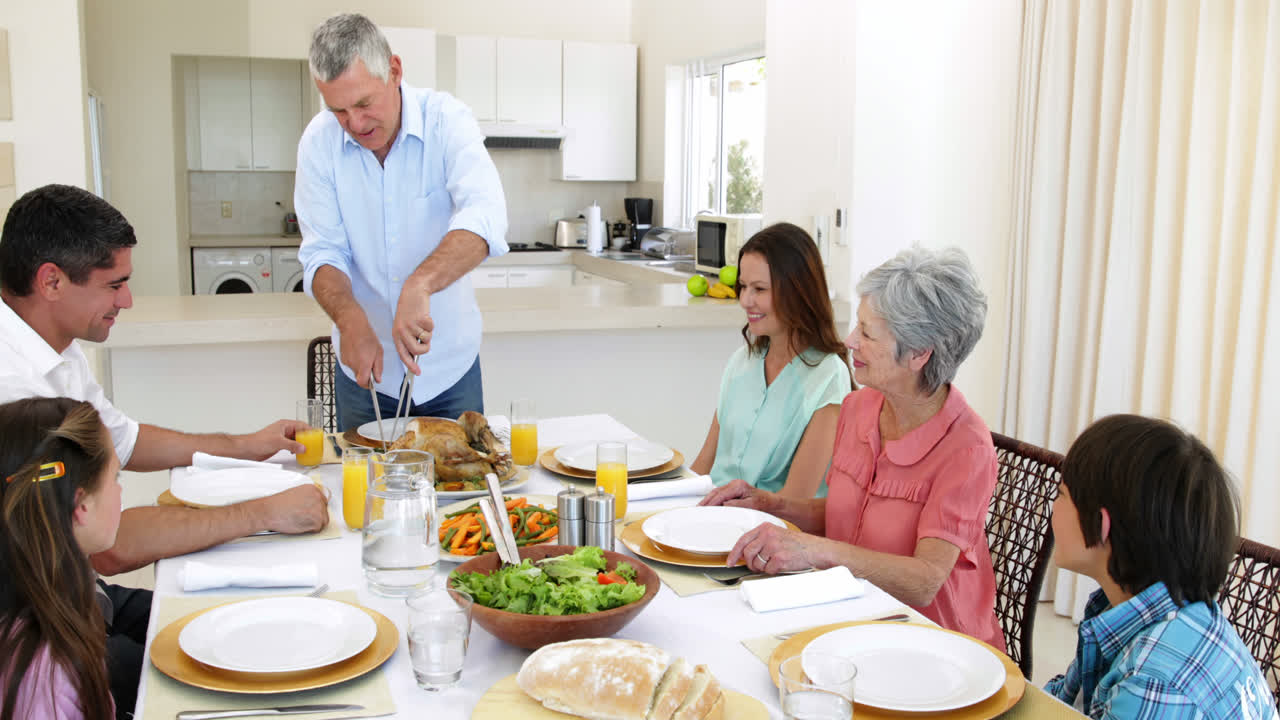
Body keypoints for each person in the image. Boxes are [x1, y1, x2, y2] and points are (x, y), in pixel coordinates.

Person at [0, 184, 330, 718]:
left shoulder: (55, 349)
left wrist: (245, 447)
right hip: (38, 626)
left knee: (228, 623)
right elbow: (107, 545)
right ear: (52, 280)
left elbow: (125, 439)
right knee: (230, 679)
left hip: (76, 592)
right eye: (115, 285)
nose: (126, 301)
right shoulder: (12, 389)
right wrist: (262, 513)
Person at [701, 246, 1005, 650]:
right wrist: (771, 504)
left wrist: (815, 551)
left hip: (930, 643)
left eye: (867, 333)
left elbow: (925, 581)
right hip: (850, 613)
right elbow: (844, 512)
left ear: (919, 354)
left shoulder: (967, 448)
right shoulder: (859, 407)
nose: (850, 341)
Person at [295, 13, 509, 432]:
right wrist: (349, 319)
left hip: (449, 372)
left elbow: (486, 215)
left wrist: (420, 284)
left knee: (462, 477)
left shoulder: (447, 120)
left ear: (394, 70)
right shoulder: (318, 144)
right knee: (363, 477)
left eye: (363, 104)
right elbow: (322, 252)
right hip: (365, 378)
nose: (355, 124)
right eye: (339, 110)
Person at [1044, 415, 1277, 719]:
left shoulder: (1154, 682)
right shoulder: (1143, 611)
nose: (1052, 506)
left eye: (1061, 494)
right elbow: (1063, 703)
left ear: (1101, 525)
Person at [689, 223, 852, 498]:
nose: (745, 300)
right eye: (743, 286)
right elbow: (703, 468)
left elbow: (795, 500)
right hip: (713, 513)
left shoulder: (828, 376)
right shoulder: (741, 362)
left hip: (768, 522)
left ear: (798, 292)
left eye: (760, 289)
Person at [0, 398, 122, 720]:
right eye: (116, 478)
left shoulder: (44, 604)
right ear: (81, 505)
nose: (119, 492)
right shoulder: (49, 678)